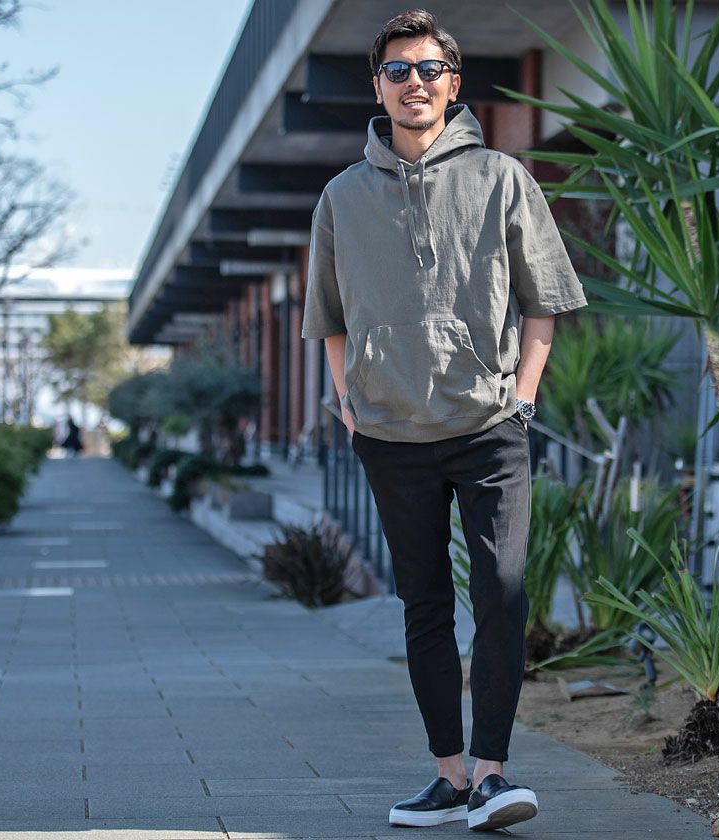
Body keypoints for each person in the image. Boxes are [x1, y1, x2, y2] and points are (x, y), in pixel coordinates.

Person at [301, 9, 587, 832]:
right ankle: (450, 777)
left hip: (490, 425)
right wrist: (348, 403)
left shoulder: (503, 177)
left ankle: (494, 774)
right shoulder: (341, 197)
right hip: (391, 434)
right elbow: (329, 317)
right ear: (378, 87)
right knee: (423, 605)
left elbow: (543, 302)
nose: (415, 83)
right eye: (398, 70)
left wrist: (523, 396)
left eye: (429, 69)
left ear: (453, 83)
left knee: (501, 593)